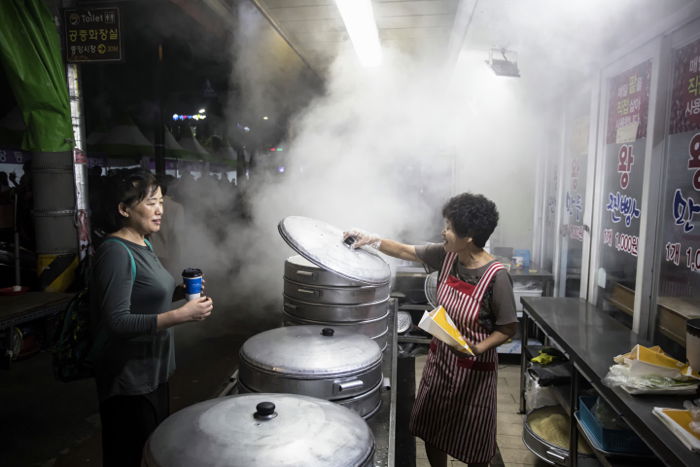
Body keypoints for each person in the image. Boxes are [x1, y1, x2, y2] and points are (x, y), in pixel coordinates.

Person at [345, 192, 517, 467]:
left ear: (469, 235)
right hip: (441, 364)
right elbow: (405, 250)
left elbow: (508, 328)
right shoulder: (447, 255)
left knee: (476, 441)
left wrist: (477, 348)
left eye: (448, 227)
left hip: (474, 373)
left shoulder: (496, 276)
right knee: (432, 430)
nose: (443, 231)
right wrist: (371, 239)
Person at [90, 168, 214, 467]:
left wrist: (178, 291)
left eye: (161, 201)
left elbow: (143, 295)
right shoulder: (115, 252)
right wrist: (180, 315)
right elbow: (117, 321)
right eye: (150, 202)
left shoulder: (144, 243)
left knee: (153, 451)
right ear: (123, 209)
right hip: (129, 380)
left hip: (153, 371)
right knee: (131, 456)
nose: (160, 210)